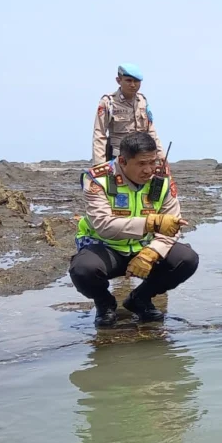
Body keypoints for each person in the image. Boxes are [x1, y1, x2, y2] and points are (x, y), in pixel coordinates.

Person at [69, 132, 198, 327]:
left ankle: (140, 299)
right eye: (141, 164)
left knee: (186, 259)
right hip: (105, 247)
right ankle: (104, 304)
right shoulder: (98, 179)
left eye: (152, 162)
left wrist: (152, 252)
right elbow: (103, 226)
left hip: (144, 247)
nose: (148, 170)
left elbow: (174, 225)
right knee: (83, 270)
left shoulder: (162, 180)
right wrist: (150, 223)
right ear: (122, 161)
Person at [92, 65, 161, 165]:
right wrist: (99, 164)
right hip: (119, 159)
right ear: (119, 80)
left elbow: (151, 130)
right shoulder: (108, 102)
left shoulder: (142, 101)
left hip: (143, 159)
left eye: (136, 81)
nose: (133, 85)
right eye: (129, 80)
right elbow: (99, 133)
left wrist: (160, 155)